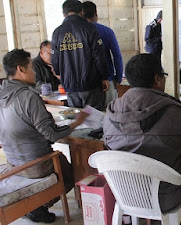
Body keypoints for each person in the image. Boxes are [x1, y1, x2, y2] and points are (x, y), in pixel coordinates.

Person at [103, 54, 181, 216]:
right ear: (157, 79)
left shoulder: (110, 113)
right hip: (166, 197)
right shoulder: (174, 113)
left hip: (126, 194)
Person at [0, 49, 88, 223]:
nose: (34, 72)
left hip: (13, 163)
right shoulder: (28, 97)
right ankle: (38, 207)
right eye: (31, 67)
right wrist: (77, 123)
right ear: (21, 69)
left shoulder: (2, 94)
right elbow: (52, 135)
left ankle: (34, 207)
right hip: (37, 165)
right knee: (72, 171)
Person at [51, 0, 109, 111]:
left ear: (64, 14)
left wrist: (60, 74)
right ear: (81, 11)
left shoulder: (57, 32)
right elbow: (99, 56)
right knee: (95, 119)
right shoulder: (90, 28)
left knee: (77, 119)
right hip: (91, 83)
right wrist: (104, 77)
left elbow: (55, 60)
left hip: (70, 86)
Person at [82, 1, 124, 107]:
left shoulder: (78, 32)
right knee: (109, 113)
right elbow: (117, 56)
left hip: (86, 83)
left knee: (89, 115)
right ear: (96, 13)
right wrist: (118, 78)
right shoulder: (106, 31)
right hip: (108, 80)